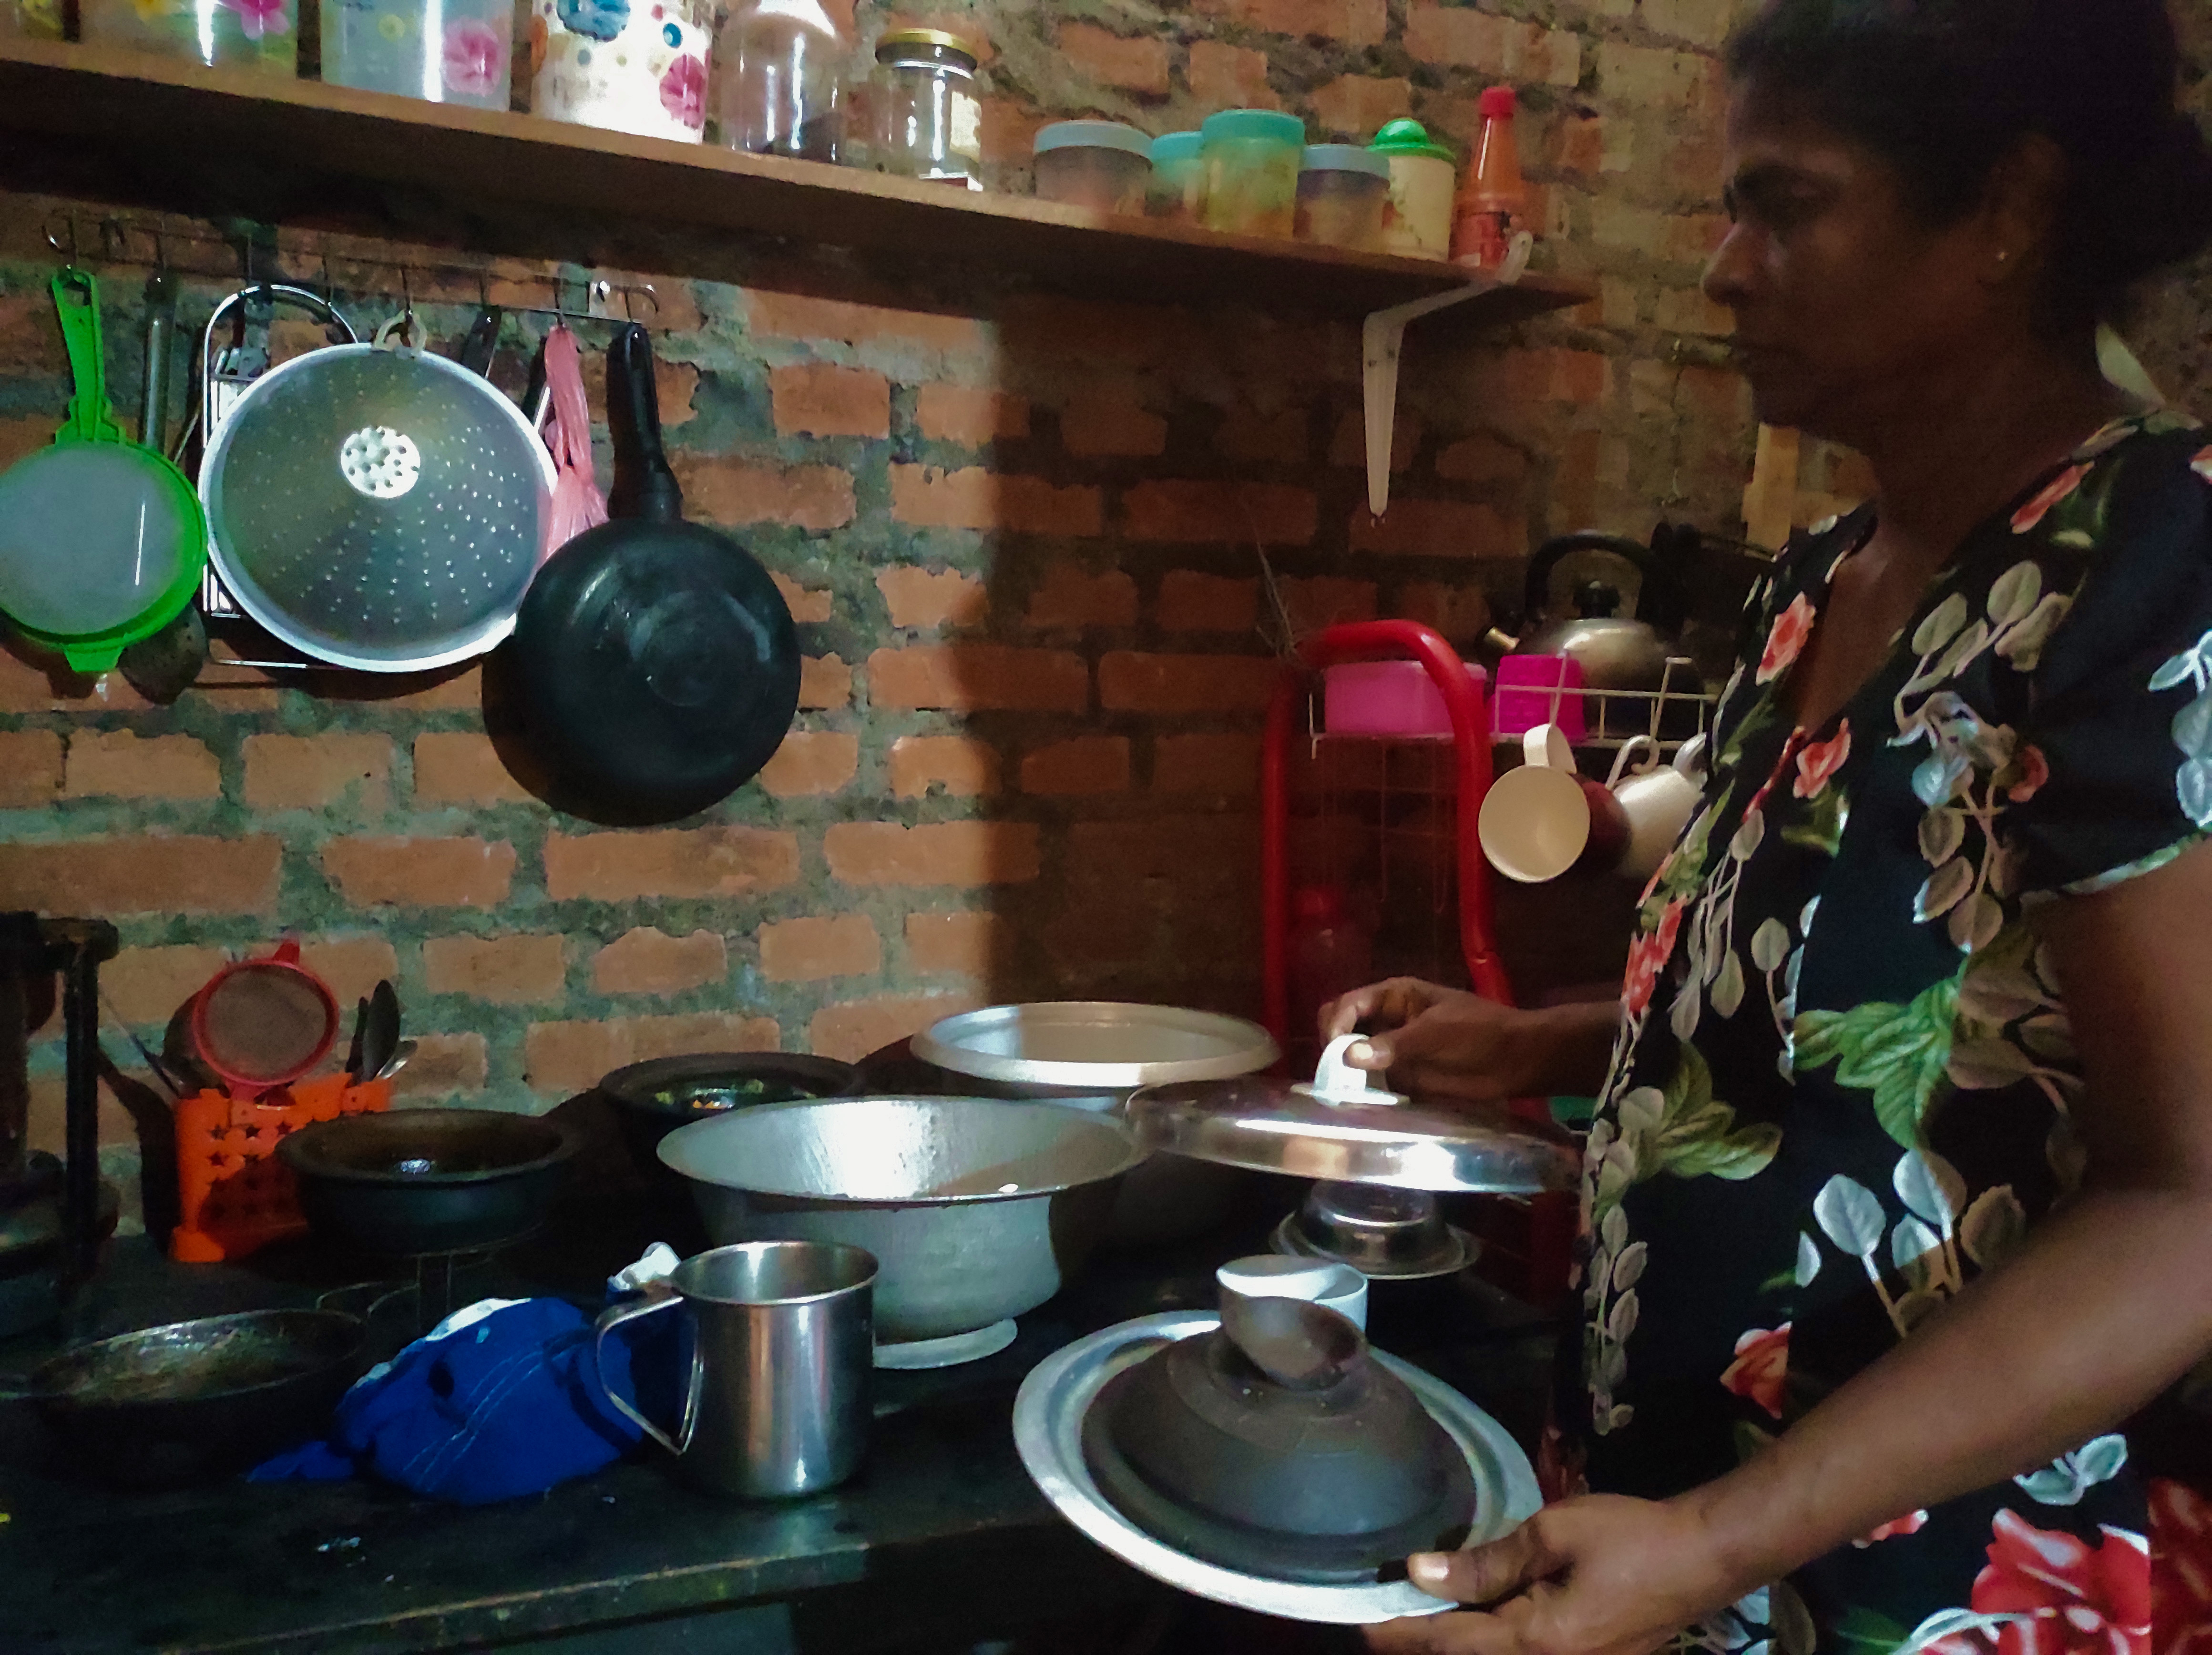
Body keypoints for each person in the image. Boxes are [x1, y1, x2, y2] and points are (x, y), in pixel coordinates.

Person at [1323, 2, 2212, 1651]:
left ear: (2008, 212)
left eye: (1787, 206)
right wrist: (1534, 1039)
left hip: (1925, 1576)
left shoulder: (2150, 570)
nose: (1727, 266)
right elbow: (1831, 1027)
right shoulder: (1820, 588)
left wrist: (1724, 1539)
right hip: (1674, 1531)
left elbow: (2187, 1208)